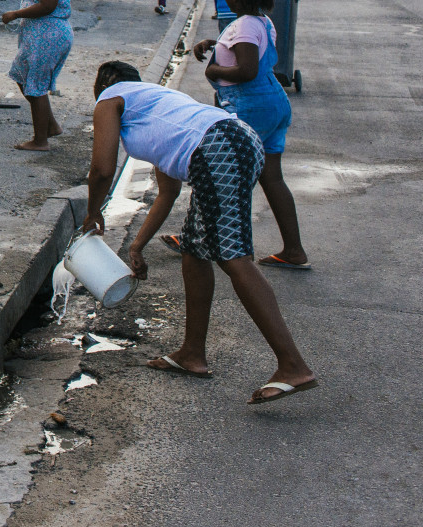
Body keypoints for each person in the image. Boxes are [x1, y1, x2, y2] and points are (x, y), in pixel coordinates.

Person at [82, 61, 318, 405]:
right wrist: (137, 246)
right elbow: (168, 193)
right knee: (194, 251)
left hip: (218, 150)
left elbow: (102, 169)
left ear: (102, 86)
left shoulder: (109, 98)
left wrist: (92, 213)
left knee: (233, 257)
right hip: (237, 140)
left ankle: (293, 365)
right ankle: (192, 353)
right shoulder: (155, 104)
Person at [191, 0, 308, 268]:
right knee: (272, 178)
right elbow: (246, 51)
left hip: (249, 107)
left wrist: (213, 70)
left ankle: (200, 238)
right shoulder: (261, 21)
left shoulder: (243, 25)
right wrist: (216, 45)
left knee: (220, 173)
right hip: (273, 105)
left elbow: (246, 69)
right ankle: (294, 249)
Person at [1, 0, 72, 150]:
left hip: (49, 37)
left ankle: (40, 141)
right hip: (38, 38)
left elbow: (47, 6)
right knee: (21, 75)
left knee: (36, 85)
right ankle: (51, 125)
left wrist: (15, 14)